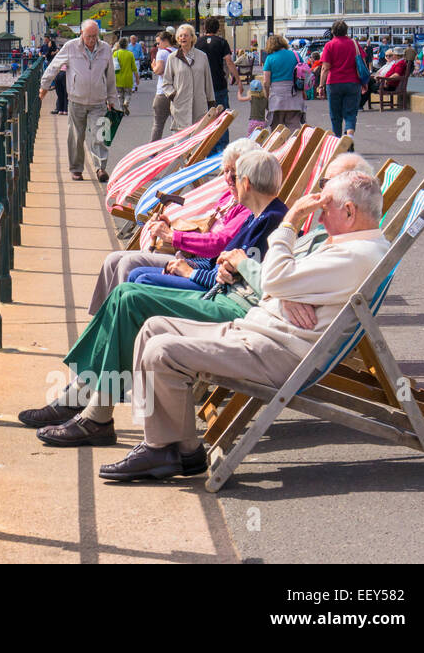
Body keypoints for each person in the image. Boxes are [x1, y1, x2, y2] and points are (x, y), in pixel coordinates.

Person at [100, 170, 390, 481]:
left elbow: (276, 278)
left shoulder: (354, 255)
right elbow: (279, 281)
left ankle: (162, 449)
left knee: (162, 350)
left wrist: (290, 221)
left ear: (349, 211)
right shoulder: (348, 246)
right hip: (259, 330)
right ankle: (180, 450)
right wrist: (283, 293)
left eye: (324, 208)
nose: (318, 218)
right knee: (153, 328)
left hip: (277, 350)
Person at [23, 148, 289, 446]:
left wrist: (209, 269)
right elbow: (231, 267)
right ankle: (87, 400)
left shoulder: (273, 221)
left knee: (130, 296)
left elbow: (260, 281)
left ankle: (91, 407)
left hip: (233, 308)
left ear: (247, 182)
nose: (230, 180)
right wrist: (224, 267)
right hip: (224, 295)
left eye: (235, 176)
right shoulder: (265, 217)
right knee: (126, 291)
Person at [86, 137, 259, 309]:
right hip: (193, 256)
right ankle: (101, 320)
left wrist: (172, 236)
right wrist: (173, 227)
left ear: (247, 177)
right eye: (226, 170)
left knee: (129, 266)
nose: (228, 178)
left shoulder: (246, 208)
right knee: (112, 259)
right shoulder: (229, 197)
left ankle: (115, 323)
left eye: (234, 173)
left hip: (199, 263)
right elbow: (207, 228)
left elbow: (218, 243)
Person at [39, 20, 117, 182]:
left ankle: (100, 168)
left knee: (100, 135)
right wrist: (44, 86)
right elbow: (54, 66)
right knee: (75, 137)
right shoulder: (71, 47)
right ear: (81, 33)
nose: (92, 40)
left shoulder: (105, 49)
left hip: (99, 100)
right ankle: (76, 169)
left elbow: (110, 77)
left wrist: (112, 99)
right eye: (89, 36)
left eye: (95, 36)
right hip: (76, 99)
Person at [160, 24, 214, 135]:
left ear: (192, 38)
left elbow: (208, 82)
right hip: (180, 108)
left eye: (185, 35)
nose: (182, 38)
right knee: (180, 146)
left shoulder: (202, 56)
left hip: (199, 106)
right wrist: (174, 96)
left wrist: (211, 103)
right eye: (180, 36)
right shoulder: (173, 58)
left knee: (198, 147)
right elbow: (166, 83)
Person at [317, 20, 367, 138]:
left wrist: (321, 86)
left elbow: (325, 68)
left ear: (333, 31)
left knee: (335, 115)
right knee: (350, 114)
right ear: (346, 31)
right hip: (353, 82)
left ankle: (338, 140)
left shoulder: (329, 45)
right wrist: (364, 82)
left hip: (334, 83)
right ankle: (349, 137)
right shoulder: (354, 44)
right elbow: (362, 63)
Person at [196, 18, 239, 149]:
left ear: (204, 28)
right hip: (219, 83)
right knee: (222, 117)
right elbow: (229, 61)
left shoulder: (198, 42)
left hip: (202, 86)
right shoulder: (222, 42)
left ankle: (207, 147)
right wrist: (237, 79)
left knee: (206, 117)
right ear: (217, 29)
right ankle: (222, 148)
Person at [262, 33, 304, 130]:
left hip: (277, 97)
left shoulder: (270, 58)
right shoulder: (296, 55)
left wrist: (267, 95)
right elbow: (304, 74)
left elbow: (266, 81)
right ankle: (294, 144)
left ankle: (278, 145)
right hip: (295, 95)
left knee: (277, 130)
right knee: (294, 128)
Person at [149, 30, 176, 141]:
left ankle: (153, 150)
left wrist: (153, 66)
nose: (157, 46)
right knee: (177, 124)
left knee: (158, 124)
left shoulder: (162, 52)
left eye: (158, 43)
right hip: (176, 91)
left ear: (165, 41)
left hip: (163, 91)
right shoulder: (177, 51)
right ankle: (178, 149)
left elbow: (159, 70)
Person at [112, 37, 135, 113]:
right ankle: (126, 102)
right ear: (127, 45)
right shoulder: (130, 54)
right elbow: (134, 68)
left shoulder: (115, 53)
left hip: (118, 77)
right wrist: (137, 78)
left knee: (120, 95)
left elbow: (113, 66)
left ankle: (122, 109)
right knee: (128, 93)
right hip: (128, 78)